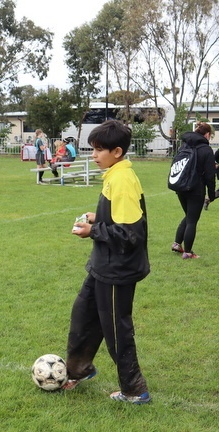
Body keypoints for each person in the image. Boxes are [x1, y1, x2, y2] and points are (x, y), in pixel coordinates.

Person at [63, 120, 151, 404]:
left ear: (117, 151)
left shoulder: (122, 180)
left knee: (117, 330)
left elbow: (130, 234)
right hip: (103, 264)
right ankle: (79, 369)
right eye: (92, 149)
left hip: (118, 269)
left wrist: (93, 231)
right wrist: (97, 218)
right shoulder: (114, 174)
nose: (93, 155)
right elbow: (119, 220)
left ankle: (135, 390)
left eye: (99, 150)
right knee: (83, 315)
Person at [170, 122, 216, 259]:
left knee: (189, 216)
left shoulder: (184, 145)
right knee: (192, 220)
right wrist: (212, 194)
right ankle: (188, 252)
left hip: (181, 186)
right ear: (207, 135)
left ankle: (177, 244)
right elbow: (210, 176)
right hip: (196, 189)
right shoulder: (206, 150)